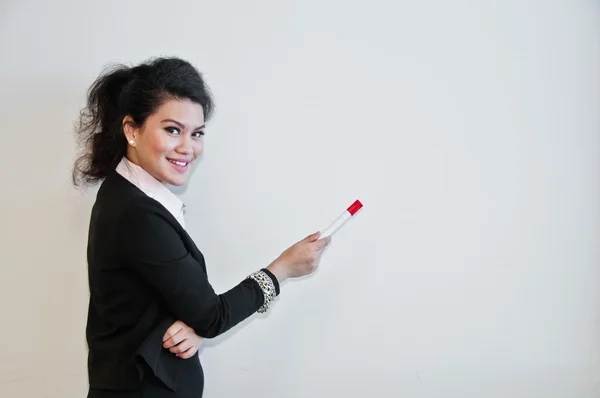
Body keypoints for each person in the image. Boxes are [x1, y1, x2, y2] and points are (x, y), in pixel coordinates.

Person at [73, 56, 331, 398]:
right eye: (172, 130)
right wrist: (283, 268)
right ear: (132, 129)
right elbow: (213, 315)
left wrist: (195, 325)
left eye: (196, 133)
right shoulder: (138, 213)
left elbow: (157, 299)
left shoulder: (125, 192)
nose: (187, 148)